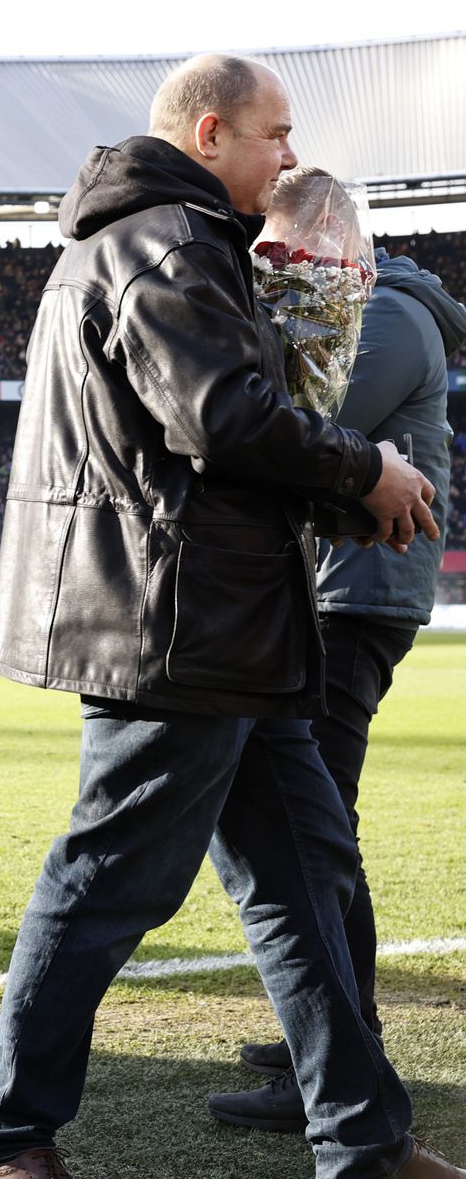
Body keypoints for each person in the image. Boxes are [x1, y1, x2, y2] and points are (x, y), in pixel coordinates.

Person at [0, 54, 458, 1179]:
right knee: (109, 876)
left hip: (225, 618)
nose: (290, 158)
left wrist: (339, 482)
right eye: (277, 135)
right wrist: (363, 471)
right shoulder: (168, 243)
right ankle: (2, 1136)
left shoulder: (166, 240)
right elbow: (228, 416)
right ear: (213, 129)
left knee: (308, 879)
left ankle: (365, 1137)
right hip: (177, 620)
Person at [207, 195, 465, 1133]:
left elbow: (307, 425)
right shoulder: (386, 304)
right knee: (318, 824)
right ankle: (323, 1035)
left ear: (330, 239)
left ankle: (339, 1055)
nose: (269, 264)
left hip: (353, 600)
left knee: (314, 834)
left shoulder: (388, 312)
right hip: (341, 593)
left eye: (282, 248)